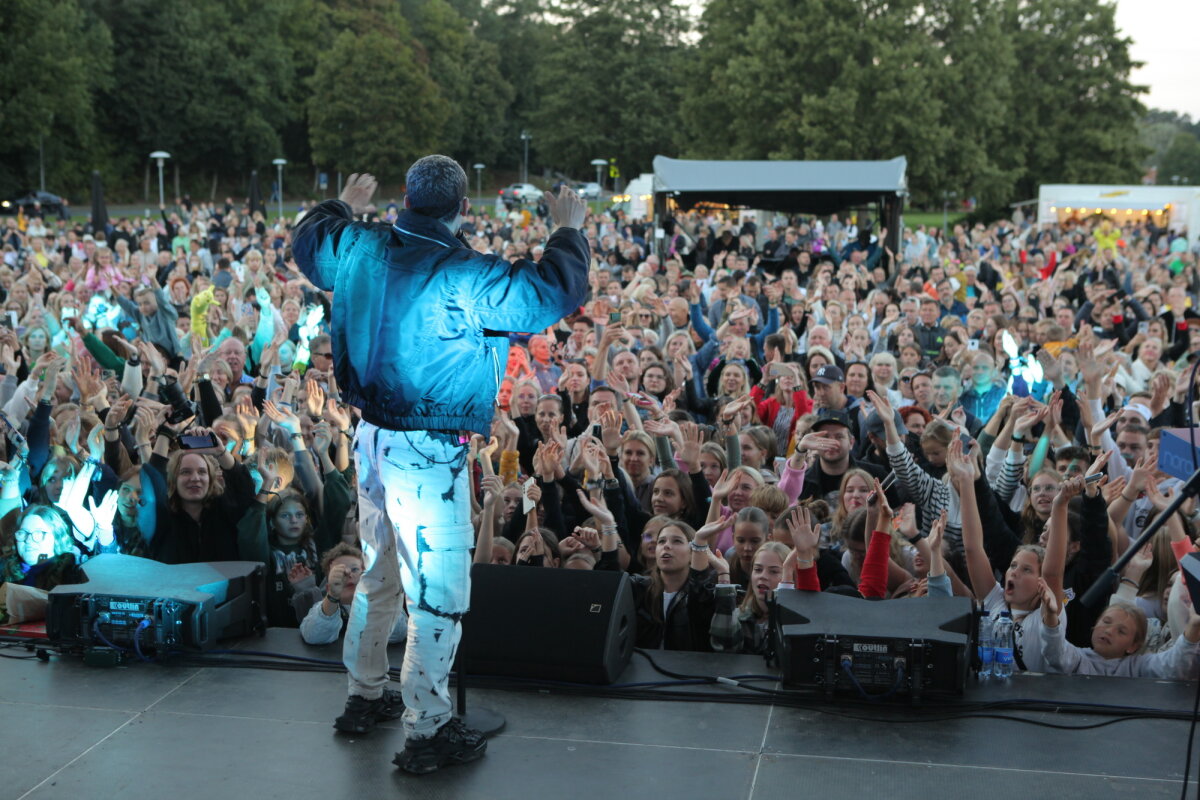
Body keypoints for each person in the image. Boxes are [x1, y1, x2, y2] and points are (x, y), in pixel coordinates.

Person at [291, 160, 588, 774]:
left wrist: (339, 206)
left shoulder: (356, 244)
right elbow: (551, 294)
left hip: (371, 437)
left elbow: (308, 244)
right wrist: (568, 232)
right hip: (427, 451)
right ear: (462, 209)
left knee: (378, 574)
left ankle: (363, 696)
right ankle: (427, 730)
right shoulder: (465, 271)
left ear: (407, 198)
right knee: (439, 594)